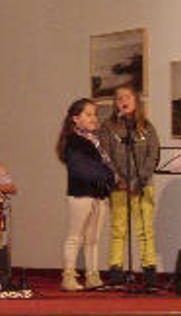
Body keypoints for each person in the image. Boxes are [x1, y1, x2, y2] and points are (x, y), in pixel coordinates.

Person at [100, 83, 160, 287]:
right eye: (118, 98)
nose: (123, 101)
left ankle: (149, 269)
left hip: (143, 186)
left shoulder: (147, 127)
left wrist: (138, 180)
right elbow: (105, 156)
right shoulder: (108, 127)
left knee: (145, 229)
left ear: (136, 101)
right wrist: (119, 179)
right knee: (118, 228)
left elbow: (153, 155)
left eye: (127, 97)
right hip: (119, 187)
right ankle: (116, 269)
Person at [56, 98, 115, 291]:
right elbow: (82, 169)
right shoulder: (73, 141)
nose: (93, 118)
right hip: (81, 193)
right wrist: (108, 176)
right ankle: (68, 276)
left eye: (94, 114)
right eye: (88, 114)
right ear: (75, 118)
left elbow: (102, 166)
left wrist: (107, 177)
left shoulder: (95, 140)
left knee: (93, 239)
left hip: (98, 194)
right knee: (75, 237)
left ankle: (92, 275)